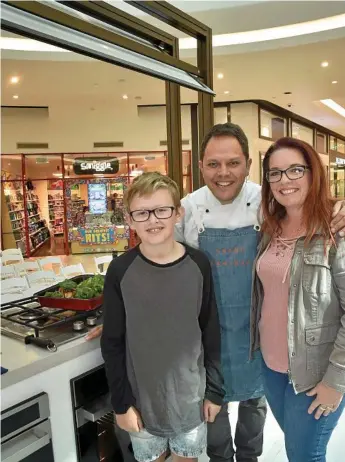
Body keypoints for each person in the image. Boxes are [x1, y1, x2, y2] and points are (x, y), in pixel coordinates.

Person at [88, 123, 345, 462]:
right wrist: (127, 317)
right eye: (213, 164)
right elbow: (161, 265)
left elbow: (308, 210)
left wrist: (337, 207)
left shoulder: (268, 203)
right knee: (214, 417)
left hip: (258, 337)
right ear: (201, 167)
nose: (223, 173)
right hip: (207, 335)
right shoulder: (187, 209)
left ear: (248, 166)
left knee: (256, 410)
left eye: (233, 163)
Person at [101, 172, 224, 462]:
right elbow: (113, 342)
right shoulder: (120, 271)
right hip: (141, 403)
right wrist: (121, 404)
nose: (153, 220)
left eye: (161, 210)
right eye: (142, 213)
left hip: (190, 397)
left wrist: (215, 391)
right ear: (129, 220)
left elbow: (211, 331)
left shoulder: (199, 264)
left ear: (177, 213)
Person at [251, 137, 345, 462]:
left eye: (294, 170)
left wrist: (337, 380)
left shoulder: (336, 229)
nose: (284, 180)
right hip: (271, 368)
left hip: (315, 372)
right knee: (295, 447)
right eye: (274, 173)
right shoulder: (270, 227)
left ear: (312, 173)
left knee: (305, 454)